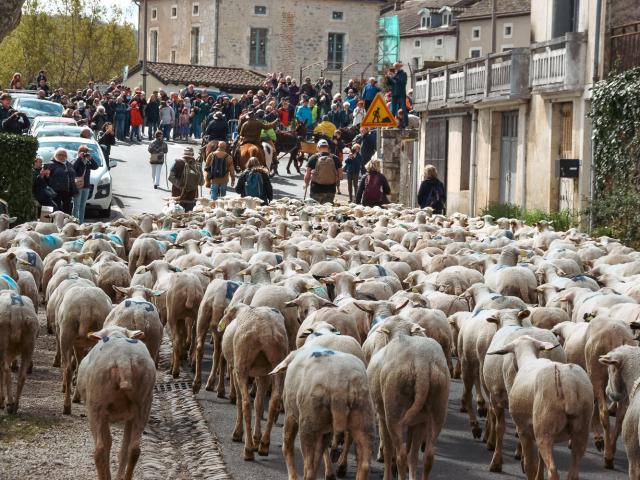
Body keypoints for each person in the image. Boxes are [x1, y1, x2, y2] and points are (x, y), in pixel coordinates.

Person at [304, 139, 342, 204]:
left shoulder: (313, 158)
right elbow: (340, 175)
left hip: (316, 189)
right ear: (328, 147)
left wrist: (306, 184)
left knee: (315, 210)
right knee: (327, 211)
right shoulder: (335, 158)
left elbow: (307, 175)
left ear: (318, 147)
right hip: (330, 190)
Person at [168, 147, 203, 212]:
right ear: (192, 155)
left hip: (178, 195)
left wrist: (181, 186)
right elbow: (201, 182)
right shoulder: (197, 166)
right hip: (192, 196)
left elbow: (170, 177)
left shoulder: (177, 163)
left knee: (176, 214)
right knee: (189, 216)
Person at [45, 148, 77, 214]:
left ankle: (65, 223)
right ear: (55, 155)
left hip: (68, 191)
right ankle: (56, 223)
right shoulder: (50, 165)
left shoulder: (69, 164)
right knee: (57, 210)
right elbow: (45, 178)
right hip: (56, 192)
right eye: (59, 155)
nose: (61, 156)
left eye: (64, 155)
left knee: (67, 210)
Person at [72, 145, 99, 223]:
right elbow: (73, 168)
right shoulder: (75, 160)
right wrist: (79, 158)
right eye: (83, 151)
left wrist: (90, 158)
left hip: (86, 186)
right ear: (79, 152)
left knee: (82, 207)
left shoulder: (88, 162)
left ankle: (81, 223)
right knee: (76, 205)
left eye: (86, 152)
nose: (85, 153)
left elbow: (95, 167)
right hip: (78, 186)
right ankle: (74, 222)